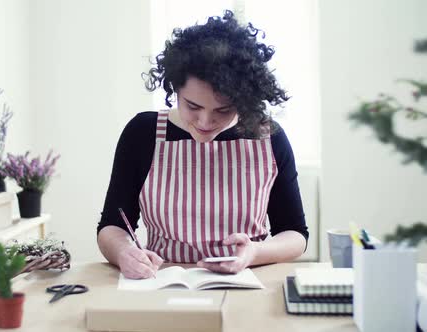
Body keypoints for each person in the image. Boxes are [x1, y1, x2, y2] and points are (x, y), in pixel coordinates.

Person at [97, 10, 308, 279]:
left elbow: (295, 233)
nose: (205, 121)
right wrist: (124, 252)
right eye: (192, 106)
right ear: (174, 88)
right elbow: (112, 225)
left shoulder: (269, 138)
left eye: (223, 110)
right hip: (163, 282)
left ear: (244, 100)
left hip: (246, 280)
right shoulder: (143, 133)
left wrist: (254, 252)